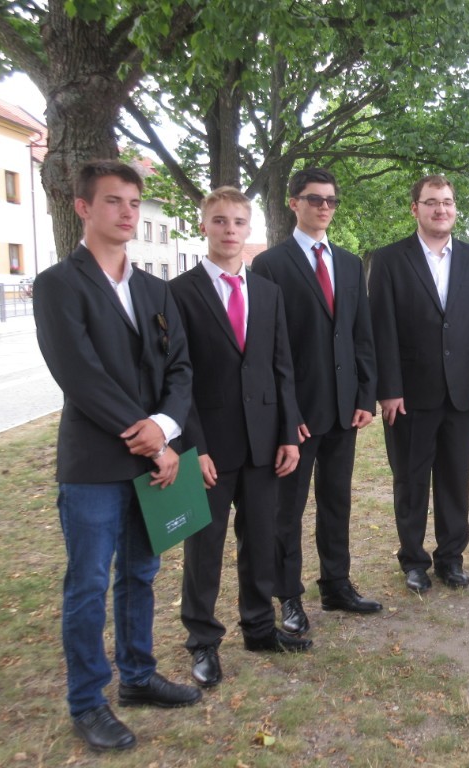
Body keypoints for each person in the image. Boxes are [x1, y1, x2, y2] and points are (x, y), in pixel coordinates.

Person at [33, 160, 201, 752]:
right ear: (83, 207)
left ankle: (138, 676)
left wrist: (165, 430)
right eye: (114, 201)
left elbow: (180, 368)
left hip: (154, 459)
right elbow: (79, 373)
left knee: (140, 573)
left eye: (134, 202)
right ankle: (87, 700)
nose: (128, 212)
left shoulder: (156, 289)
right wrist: (146, 433)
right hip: (94, 462)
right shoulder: (59, 284)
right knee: (87, 583)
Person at [171, 187, 311, 688]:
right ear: (203, 226)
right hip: (209, 446)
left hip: (264, 440)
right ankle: (203, 641)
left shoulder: (268, 292)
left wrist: (289, 433)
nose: (229, 230)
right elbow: (177, 377)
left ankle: (258, 626)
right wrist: (193, 447)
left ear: (249, 229)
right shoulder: (179, 293)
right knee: (204, 547)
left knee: (261, 538)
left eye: (238, 222)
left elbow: (282, 366)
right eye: (219, 220)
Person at [251, 168, 380, 637]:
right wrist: (286, 416)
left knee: (337, 500)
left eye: (330, 200)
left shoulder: (348, 263)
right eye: (314, 199)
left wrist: (365, 395)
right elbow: (266, 350)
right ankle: (288, 595)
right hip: (298, 415)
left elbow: (361, 334)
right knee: (287, 509)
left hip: (344, 409)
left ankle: (336, 584)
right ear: (293, 203)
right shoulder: (269, 265)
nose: (324, 207)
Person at [368, 174, 469, 593]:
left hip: (462, 391)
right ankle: (413, 560)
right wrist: (388, 389)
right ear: (415, 209)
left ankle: (451, 558)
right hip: (409, 394)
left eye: (447, 202)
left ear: (455, 208)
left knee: (454, 479)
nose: (441, 209)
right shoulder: (389, 260)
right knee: (410, 481)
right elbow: (381, 329)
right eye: (431, 202)